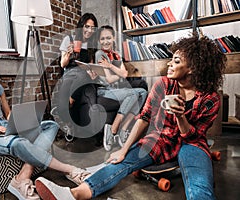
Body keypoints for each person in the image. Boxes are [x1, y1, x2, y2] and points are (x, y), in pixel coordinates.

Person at [34, 33, 226, 200]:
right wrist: (123, 150)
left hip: (192, 144)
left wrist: (180, 116)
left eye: (176, 61)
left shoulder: (210, 99)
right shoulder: (164, 85)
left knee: (200, 185)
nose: (169, 63)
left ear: (192, 68)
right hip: (160, 139)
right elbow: (144, 117)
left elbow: (192, 136)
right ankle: (73, 194)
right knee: (122, 162)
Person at [0, 50, 91, 200]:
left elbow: (8, 114)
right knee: (19, 143)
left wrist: (21, 123)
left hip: (4, 128)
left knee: (50, 125)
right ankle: (70, 170)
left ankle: (23, 176)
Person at [94, 25, 147, 151]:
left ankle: (123, 129)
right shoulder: (99, 54)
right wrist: (119, 72)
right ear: (99, 41)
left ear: (113, 38)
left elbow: (125, 74)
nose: (105, 41)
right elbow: (109, 79)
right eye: (102, 39)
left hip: (116, 90)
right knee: (133, 94)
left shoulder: (116, 55)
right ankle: (113, 129)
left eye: (108, 38)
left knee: (143, 93)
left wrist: (111, 67)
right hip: (104, 91)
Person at [56, 13, 98, 124]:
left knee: (88, 81)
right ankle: (70, 118)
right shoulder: (69, 39)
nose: (89, 30)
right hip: (71, 73)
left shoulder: (92, 44)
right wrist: (68, 54)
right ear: (81, 26)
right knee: (82, 74)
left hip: (85, 76)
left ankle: (71, 100)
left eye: (92, 28)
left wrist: (93, 73)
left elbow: (91, 66)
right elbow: (63, 64)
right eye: (87, 26)